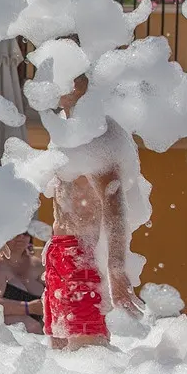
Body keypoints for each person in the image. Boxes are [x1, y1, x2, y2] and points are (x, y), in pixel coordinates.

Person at [45, 73, 143, 350]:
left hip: (84, 255)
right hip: (59, 251)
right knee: (60, 353)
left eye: (68, 72)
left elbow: (115, 207)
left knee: (88, 352)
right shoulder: (64, 130)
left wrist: (116, 267)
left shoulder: (98, 135)